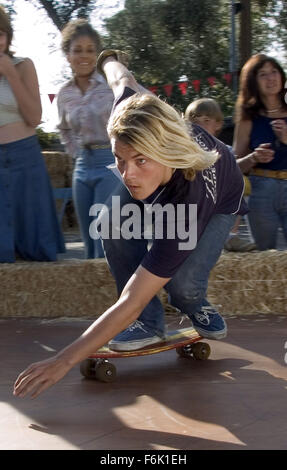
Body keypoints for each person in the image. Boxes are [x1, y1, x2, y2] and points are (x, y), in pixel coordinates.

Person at [13, 49, 248, 399]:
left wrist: (62, 361)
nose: (129, 174)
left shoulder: (190, 198)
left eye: (140, 160)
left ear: (164, 152)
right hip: (169, 177)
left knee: (181, 284)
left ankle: (196, 303)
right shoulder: (131, 109)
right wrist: (109, 58)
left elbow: (131, 299)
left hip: (220, 202)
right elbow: (121, 77)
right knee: (111, 223)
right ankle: (149, 325)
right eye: (120, 159)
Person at [0, 5, 64, 262]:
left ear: (8, 35)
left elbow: (34, 117)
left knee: (35, 243)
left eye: (1, 33)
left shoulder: (23, 65)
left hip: (25, 156)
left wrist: (10, 73)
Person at [57, 19, 121, 258]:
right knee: (88, 243)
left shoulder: (111, 85)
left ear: (98, 54)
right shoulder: (64, 94)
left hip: (111, 162)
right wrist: (76, 152)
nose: (84, 56)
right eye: (77, 50)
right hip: (82, 166)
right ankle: (96, 295)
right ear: (67, 55)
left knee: (104, 235)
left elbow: (130, 120)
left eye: (90, 50)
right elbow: (63, 129)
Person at [185, 97, 256, 252]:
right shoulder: (184, 150)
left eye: (205, 120)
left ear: (218, 124)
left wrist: (252, 158)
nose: (199, 124)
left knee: (242, 183)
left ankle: (231, 235)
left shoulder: (225, 150)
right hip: (193, 202)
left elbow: (234, 169)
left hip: (217, 200)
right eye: (193, 120)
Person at [233, 53, 287, 250]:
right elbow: (234, 166)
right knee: (267, 257)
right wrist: (254, 157)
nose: (271, 78)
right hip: (261, 190)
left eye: (274, 72)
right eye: (263, 74)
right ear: (253, 82)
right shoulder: (248, 117)